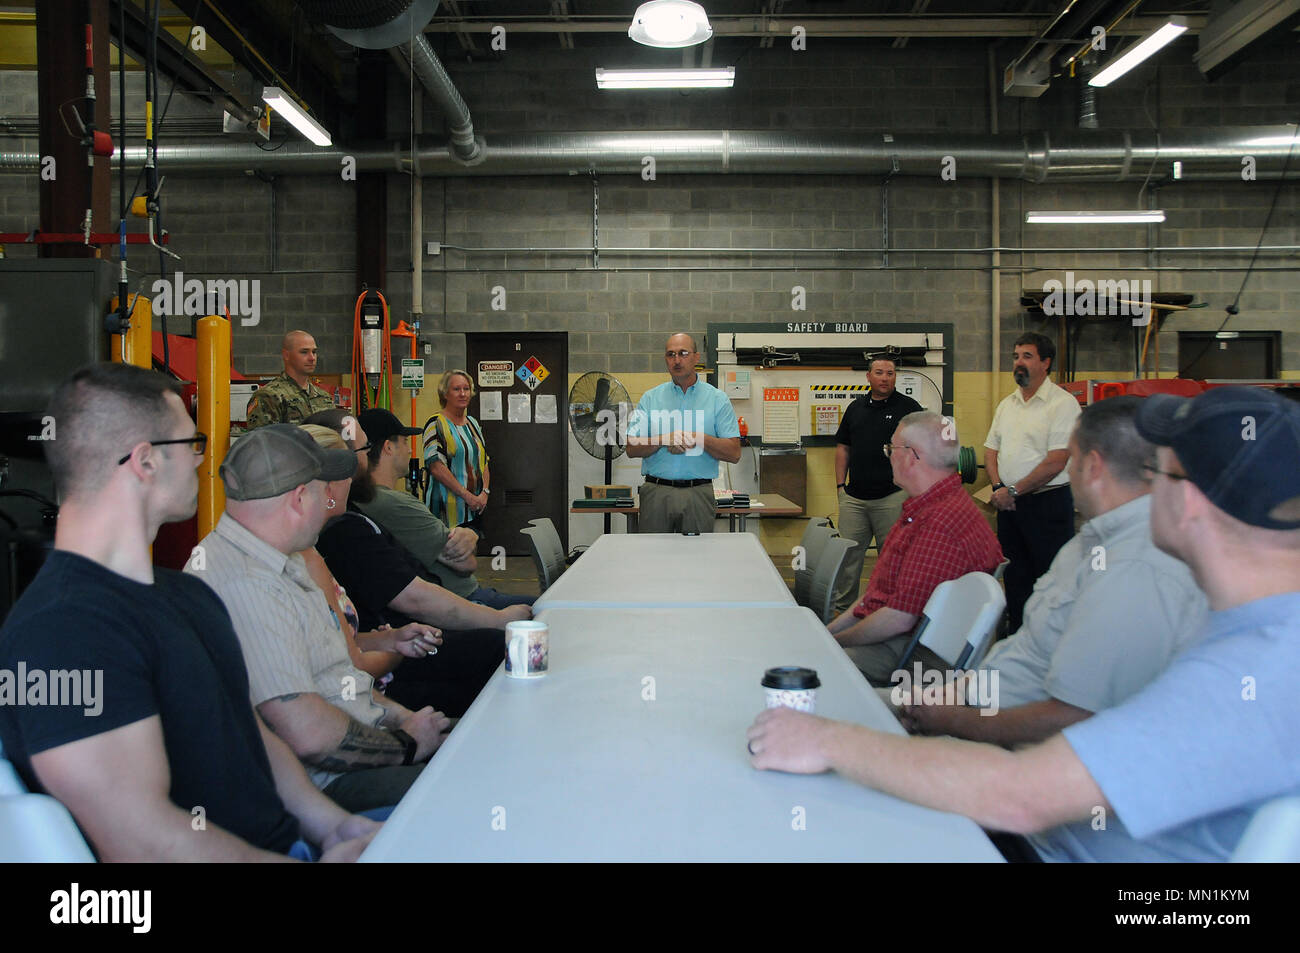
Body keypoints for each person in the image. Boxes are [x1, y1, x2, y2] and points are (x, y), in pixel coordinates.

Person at [748, 386, 1300, 863]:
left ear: (1193, 504)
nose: (1145, 489)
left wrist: (831, 741)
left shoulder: (1251, 665)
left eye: (1162, 474)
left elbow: (1021, 795)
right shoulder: (1243, 627)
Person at [0, 363, 376, 861]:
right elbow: (140, 838)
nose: (202, 461)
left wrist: (335, 827)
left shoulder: (188, 594)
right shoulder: (61, 631)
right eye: (191, 443)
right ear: (145, 462)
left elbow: (250, 736)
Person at [900, 397, 1208, 748]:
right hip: (976, 709)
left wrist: (951, 719)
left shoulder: (1137, 567)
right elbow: (1027, 651)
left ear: (1092, 466)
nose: (1068, 472)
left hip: (1013, 746)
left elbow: (1074, 718)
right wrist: (946, 696)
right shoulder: (1087, 545)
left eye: (1071, 460)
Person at [191, 424, 452, 813]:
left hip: (362, 751)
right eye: (323, 488)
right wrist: (407, 743)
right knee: (486, 789)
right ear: (299, 498)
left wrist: (406, 719)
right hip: (331, 787)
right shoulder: (248, 585)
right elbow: (308, 735)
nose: (331, 497)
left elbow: (338, 679)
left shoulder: (284, 560)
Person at [308, 415, 531, 718]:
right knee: (508, 647)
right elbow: (416, 597)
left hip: (403, 642)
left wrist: (390, 640)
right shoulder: (342, 530)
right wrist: (497, 619)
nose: (356, 469)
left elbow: (346, 643)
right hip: (401, 658)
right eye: (360, 453)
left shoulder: (342, 525)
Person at [828, 411, 1003, 685]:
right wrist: (828, 633)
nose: (889, 456)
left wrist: (832, 642)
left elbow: (897, 619)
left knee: (812, 669)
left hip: (913, 655)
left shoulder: (939, 523)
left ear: (911, 456)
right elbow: (875, 598)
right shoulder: (930, 506)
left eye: (891, 449)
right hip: (908, 641)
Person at [355, 408, 534, 609]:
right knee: (544, 606)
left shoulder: (361, 502)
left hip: (454, 597)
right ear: (388, 447)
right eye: (405, 442)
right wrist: (468, 535)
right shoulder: (397, 505)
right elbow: (468, 564)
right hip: (464, 599)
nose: (410, 450)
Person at [984, 332, 1082, 632]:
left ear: (1045, 362)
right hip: (1009, 505)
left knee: (1050, 576)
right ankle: (1017, 636)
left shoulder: (1062, 404)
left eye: (1027, 356)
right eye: (1016, 357)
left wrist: (1013, 490)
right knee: (1015, 574)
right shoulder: (1007, 405)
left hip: (1047, 505)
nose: (1018, 363)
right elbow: (990, 450)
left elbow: (1057, 460)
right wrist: (1000, 487)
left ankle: (1050, 638)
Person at [832, 354, 923, 613]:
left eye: (890, 373)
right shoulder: (855, 408)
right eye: (880, 373)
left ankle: (889, 612)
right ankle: (842, 612)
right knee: (847, 559)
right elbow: (843, 449)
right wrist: (841, 487)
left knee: (892, 559)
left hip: (892, 498)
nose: (885, 378)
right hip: (854, 500)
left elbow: (925, 448)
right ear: (869, 376)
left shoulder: (909, 408)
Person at [625, 332, 741, 534]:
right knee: (652, 559)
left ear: (696, 357)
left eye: (683, 353)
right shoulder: (650, 399)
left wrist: (698, 439)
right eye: (671, 354)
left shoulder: (717, 400)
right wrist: (663, 440)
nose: (676, 360)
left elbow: (734, 453)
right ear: (665, 360)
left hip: (698, 494)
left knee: (697, 562)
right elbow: (631, 448)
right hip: (656, 495)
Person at [423, 370, 490, 531]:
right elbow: (436, 467)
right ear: (445, 393)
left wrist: (485, 493)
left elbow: (484, 461)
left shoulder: (472, 423)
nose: (462, 394)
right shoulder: (435, 423)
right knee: (450, 555)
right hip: (445, 510)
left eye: (466, 389)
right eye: (456, 389)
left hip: (474, 509)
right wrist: (467, 496)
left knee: (469, 553)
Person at [244, 330, 337, 430]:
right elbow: (262, 441)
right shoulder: (269, 396)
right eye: (304, 352)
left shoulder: (324, 398)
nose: (312, 358)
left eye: (314, 352)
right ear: (286, 355)